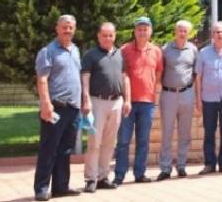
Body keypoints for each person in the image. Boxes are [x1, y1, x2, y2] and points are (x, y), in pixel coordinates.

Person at [33, 15, 83, 201]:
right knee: (48, 149)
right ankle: (41, 188)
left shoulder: (75, 50)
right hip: (55, 108)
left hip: (73, 108)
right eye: (64, 27)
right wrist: (46, 104)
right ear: (57, 29)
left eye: (70, 27)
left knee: (65, 149)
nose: (67, 30)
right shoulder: (48, 51)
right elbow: (42, 80)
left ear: (74, 30)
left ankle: (61, 186)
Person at [81, 22, 130, 193]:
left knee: (110, 142)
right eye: (104, 35)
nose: (108, 38)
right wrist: (85, 100)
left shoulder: (120, 55)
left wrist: (127, 100)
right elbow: (85, 80)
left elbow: (125, 79)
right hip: (97, 102)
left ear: (115, 36)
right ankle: (90, 179)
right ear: (98, 36)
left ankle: (103, 176)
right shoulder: (90, 55)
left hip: (116, 102)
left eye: (111, 35)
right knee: (94, 142)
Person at [114, 16, 163, 185]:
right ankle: (119, 175)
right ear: (134, 31)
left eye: (145, 29)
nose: (142, 32)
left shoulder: (156, 51)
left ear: (150, 31)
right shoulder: (124, 50)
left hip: (147, 103)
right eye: (139, 29)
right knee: (123, 140)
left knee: (143, 140)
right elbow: (121, 74)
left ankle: (140, 173)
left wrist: (150, 89)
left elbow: (158, 73)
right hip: (127, 102)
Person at [157, 20, 199, 181]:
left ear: (188, 33)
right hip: (168, 95)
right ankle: (165, 168)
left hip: (187, 94)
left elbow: (196, 72)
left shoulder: (193, 50)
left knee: (185, 132)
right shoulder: (165, 49)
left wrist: (187, 86)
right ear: (175, 32)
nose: (182, 33)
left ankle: (181, 165)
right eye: (179, 30)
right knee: (167, 132)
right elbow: (160, 70)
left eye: (185, 31)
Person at [195, 22, 222, 174]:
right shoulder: (203, 53)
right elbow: (198, 78)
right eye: (216, 32)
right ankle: (209, 164)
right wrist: (198, 100)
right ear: (212, 35)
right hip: (208, 99)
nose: (219, 35)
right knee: (209, 132)